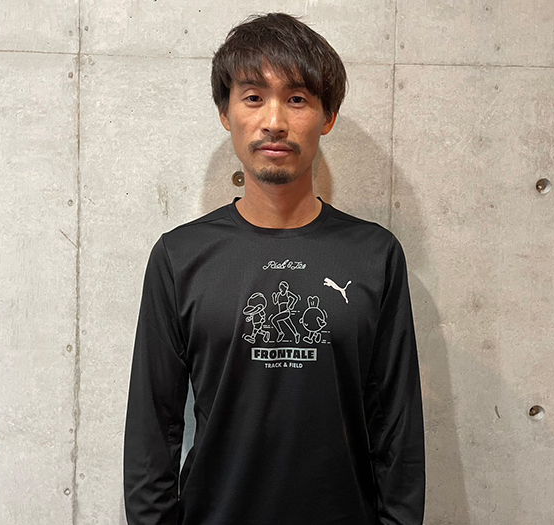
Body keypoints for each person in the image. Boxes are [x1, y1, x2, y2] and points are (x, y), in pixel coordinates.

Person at [123, 12, 425, 525]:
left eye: (298, 99)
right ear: (226, 113)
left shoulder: (374, 256)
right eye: (253, 97)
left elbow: (398, 430)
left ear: (328, 116)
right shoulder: (180, 257)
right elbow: (153, 433)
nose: (274, 122)